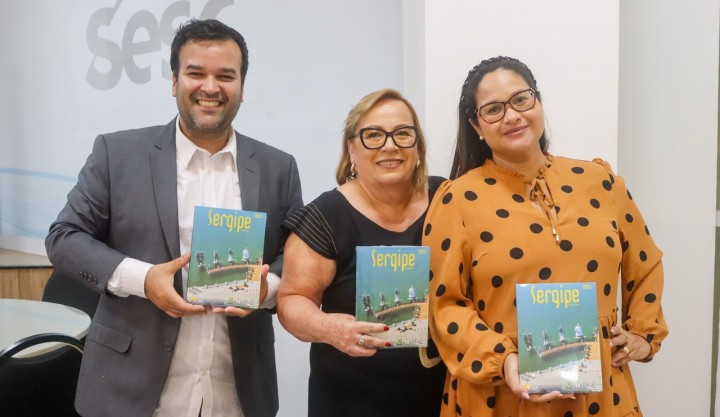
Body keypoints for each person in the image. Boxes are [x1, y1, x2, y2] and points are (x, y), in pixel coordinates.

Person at [45, 19, 303, 417]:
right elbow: (64, 237)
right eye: (196, 73)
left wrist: (266, 288)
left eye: (225, 76)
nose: (210, 87)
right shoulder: (118, 154)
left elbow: (295, 256)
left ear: (242, 86)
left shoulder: (277, 167)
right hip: (128, 392)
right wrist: (143, 279)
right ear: (174, 81)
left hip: (236, 395)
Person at [423, 56, 668, 416]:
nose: (512, 115)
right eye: (493, 109)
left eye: (521, 99)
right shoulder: (457, 199)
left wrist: (643, 335)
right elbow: (443, 305)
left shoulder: (600, 182)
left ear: (538, 101)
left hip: (600, 395)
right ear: (476, 125)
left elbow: (646, 264)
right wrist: (503, 360)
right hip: (502, 395)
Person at [277, 89, 446, 417]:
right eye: (373, 135)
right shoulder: (325, 216)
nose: (390, 145)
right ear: (351, 149)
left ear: (418, 146)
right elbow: (291, 301)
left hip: (441, 398)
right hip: (349, 400)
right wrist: (329, 328)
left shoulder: (448, 199)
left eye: (403, 133)